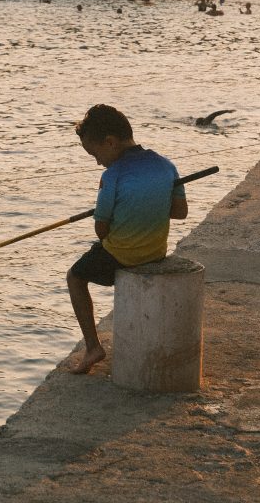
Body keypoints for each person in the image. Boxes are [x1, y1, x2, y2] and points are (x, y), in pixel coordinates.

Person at [66, 104, 188, 375]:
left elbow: (101, 230)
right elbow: (180, 213)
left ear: (110, 142)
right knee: (100, 250)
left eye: (95, 154)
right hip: (156, 251)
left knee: (75, 277)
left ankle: (92, 347)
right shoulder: (167, 166)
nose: (98, 161)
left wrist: (112, 210)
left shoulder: (112, 176)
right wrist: (148, 204)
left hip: (123, 256)